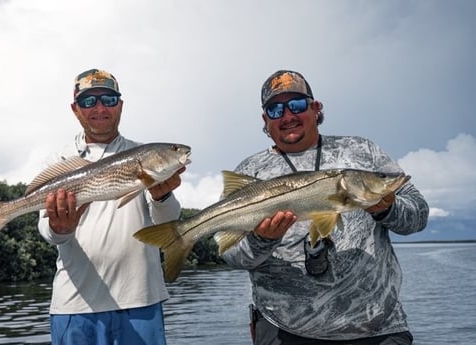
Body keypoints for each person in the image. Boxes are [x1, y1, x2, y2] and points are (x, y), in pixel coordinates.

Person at [221, 70, 429, 345]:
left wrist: (387, 209)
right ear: (265, 120)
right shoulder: (250, 171)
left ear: (315, 107)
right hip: (284, 331)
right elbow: (231, 255)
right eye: (275, 109)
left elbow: (418, 216)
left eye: (296, 105)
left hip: (378, 329)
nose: (287, 116)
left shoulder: (363, 151)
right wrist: (262, 240)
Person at [37, 68, 185, 345]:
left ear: (120, 105)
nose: (100, 108)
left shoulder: (146, 155)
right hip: (75, 305)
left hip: (141, 299)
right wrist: (59, 228)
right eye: (88, 101)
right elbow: (47, 231)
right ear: (75, 109)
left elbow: (168, 225)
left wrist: (162, 198)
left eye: (108, 99)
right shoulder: (58, 161)